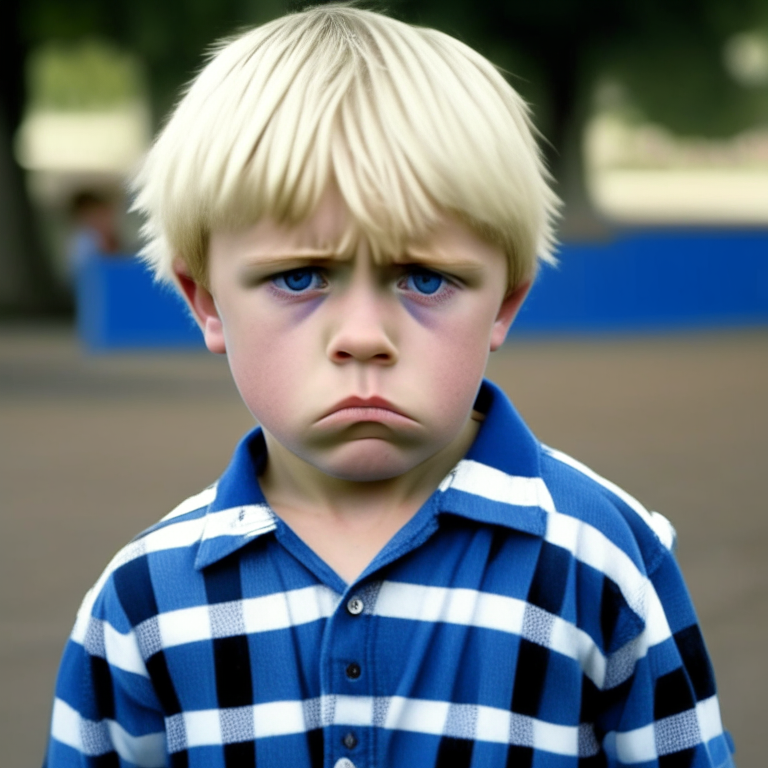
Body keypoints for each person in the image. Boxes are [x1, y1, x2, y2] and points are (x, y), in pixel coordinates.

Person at [43, 5, 735, 766]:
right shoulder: (143, 601)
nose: (365, 336)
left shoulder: (601, 560)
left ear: (505, 301)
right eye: (300, 277)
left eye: (425, 279)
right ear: (206, 299)